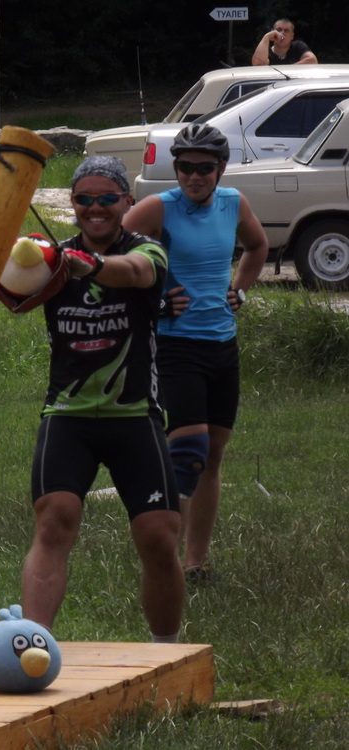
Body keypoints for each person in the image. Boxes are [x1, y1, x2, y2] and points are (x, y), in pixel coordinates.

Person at [18, 155, 185, 644]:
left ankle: (166, 652)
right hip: (66, 416)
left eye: (107, 198)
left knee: (159, 537)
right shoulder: (54, 260)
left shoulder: (148, 250)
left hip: (134, 416)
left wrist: (86, 265)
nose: (95, 208)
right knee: (54, 522)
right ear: (72, 203)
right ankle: (33, 650)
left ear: (126, 201)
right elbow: (6, 291)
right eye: (84, 199)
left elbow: (133, 274)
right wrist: (10, 264)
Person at [122, 123, 268, 583]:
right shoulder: (158, 208)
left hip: (222, 344)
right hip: (175, 345)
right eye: (184, 167)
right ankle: (164, 562)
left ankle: (196, 563)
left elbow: (258, 246)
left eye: (204, 168)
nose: (193, 176)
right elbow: (111, 257)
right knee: (189, 451)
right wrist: (154, 302)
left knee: (213, 454)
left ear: (221, 168)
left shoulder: (233, 203)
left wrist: (240, 290)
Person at [252, 18, 318, 65]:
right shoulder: (265, 51)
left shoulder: (298, 46)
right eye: (279, 30)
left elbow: (312, 60)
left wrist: (288, 70)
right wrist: (266, 37)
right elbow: (258, 64)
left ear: (292, 36)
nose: (282, 33)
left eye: (286, 31)